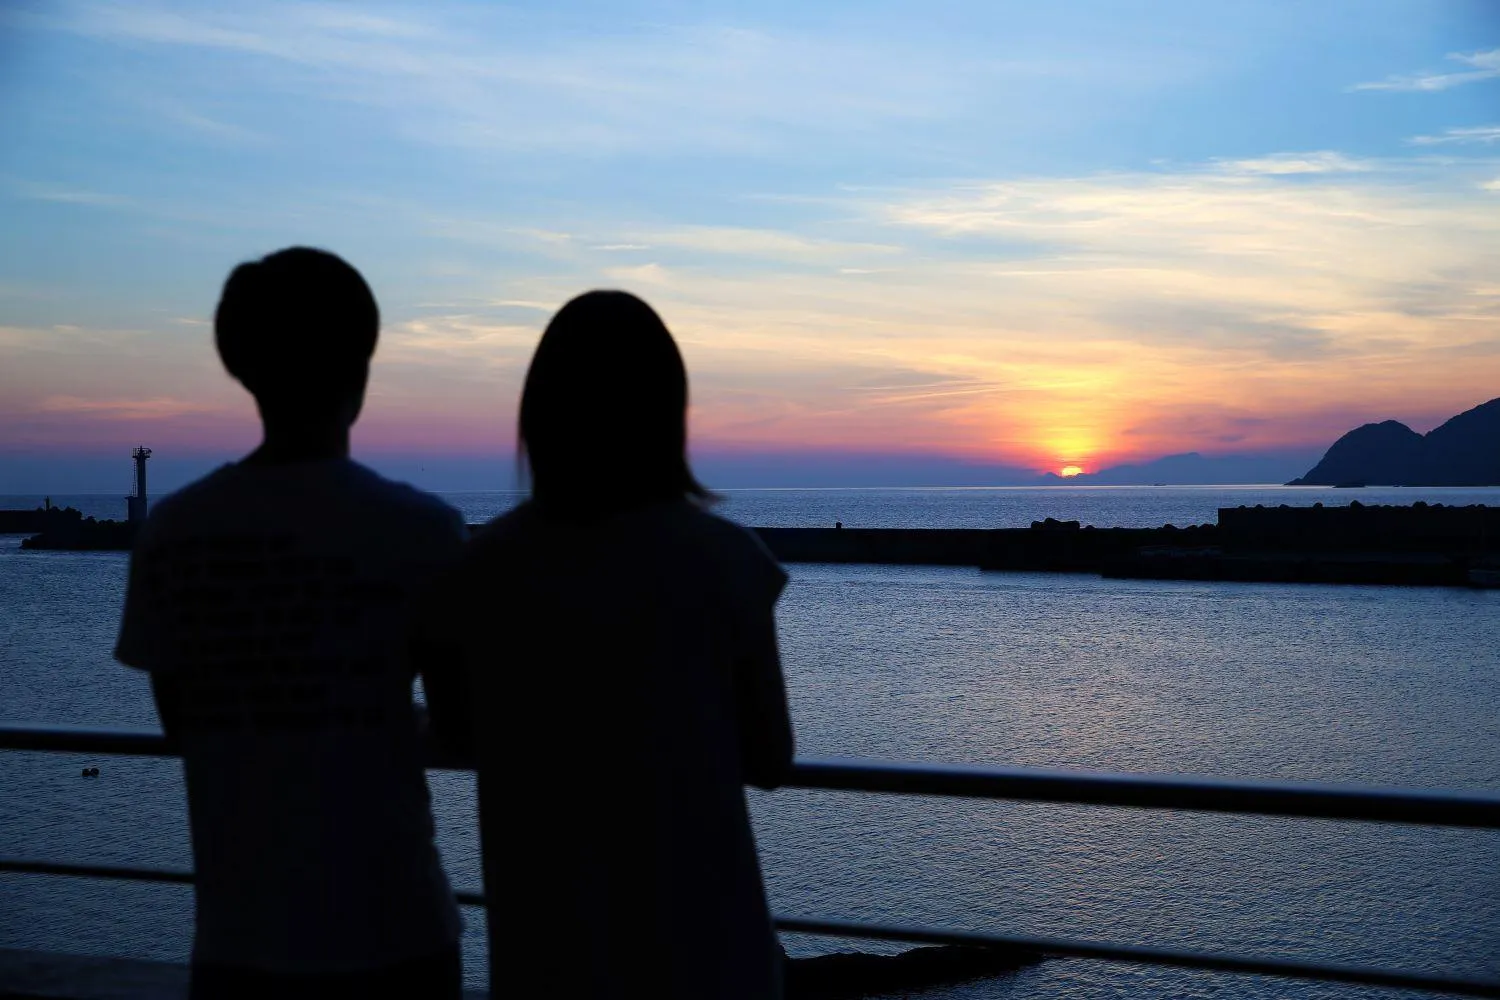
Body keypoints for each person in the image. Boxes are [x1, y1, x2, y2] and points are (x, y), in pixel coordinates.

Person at [419, 290, 794, 999]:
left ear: (541, 413)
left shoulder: (477, 569)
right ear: (666, 412)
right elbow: (771, 757)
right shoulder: (726, 560)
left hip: (549, 951)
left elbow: (461, 733)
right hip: (712, 952)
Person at [115, 247, 464, 999]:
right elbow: (461, 725)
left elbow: (184, 722)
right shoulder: (424, 531)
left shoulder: (173, 533)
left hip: (240, 939)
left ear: (240, 366)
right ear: (363, 365)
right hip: (398, 930)